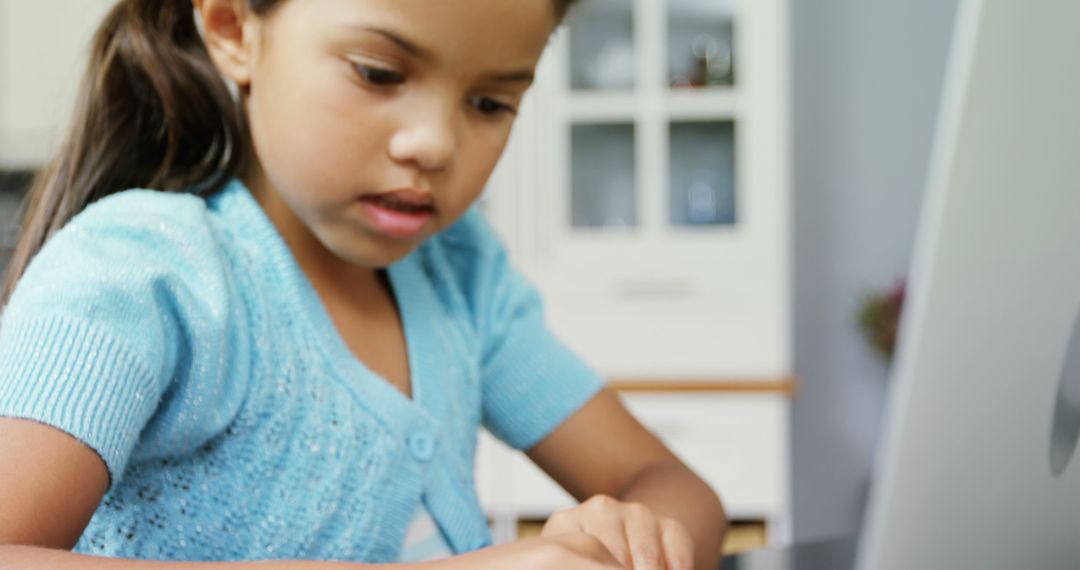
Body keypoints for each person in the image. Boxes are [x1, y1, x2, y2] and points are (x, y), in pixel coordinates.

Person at [0, 0, 728, 568]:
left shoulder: (462, 274)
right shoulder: (143, 269)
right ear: (233, 29)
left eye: (490, 103)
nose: (435, 144)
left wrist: (637, 540)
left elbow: (668, 482)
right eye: (379, 73)